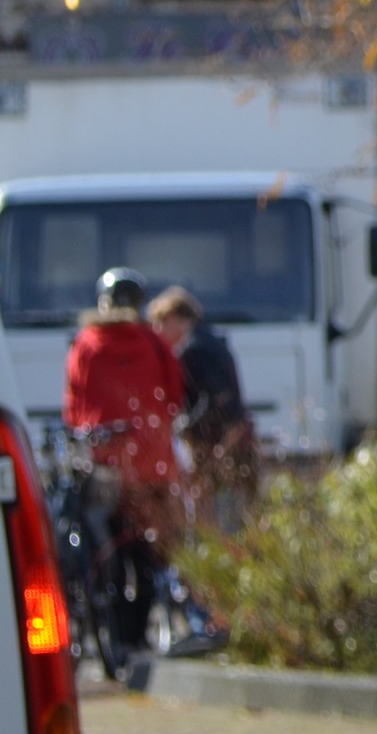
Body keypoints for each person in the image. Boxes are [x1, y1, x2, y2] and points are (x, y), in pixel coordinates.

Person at [63, 268, 189, 651]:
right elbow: (174, 398)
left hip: (106, 467)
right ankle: (140, 635)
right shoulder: (153, 343)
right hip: (153, 465)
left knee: (105, 549)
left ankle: (116, 632)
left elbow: (74, 408)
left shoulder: (86, 343)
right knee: (150, 551)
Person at [148, 287, 259, 534]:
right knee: (236, 515)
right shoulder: (213, 341)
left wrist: (184, 426)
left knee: (218, 521)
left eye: (159, 323)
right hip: (235, 443)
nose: (158, 332)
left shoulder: (192, 350)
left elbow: (213, 400)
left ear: (173, 317)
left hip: (217, 446)